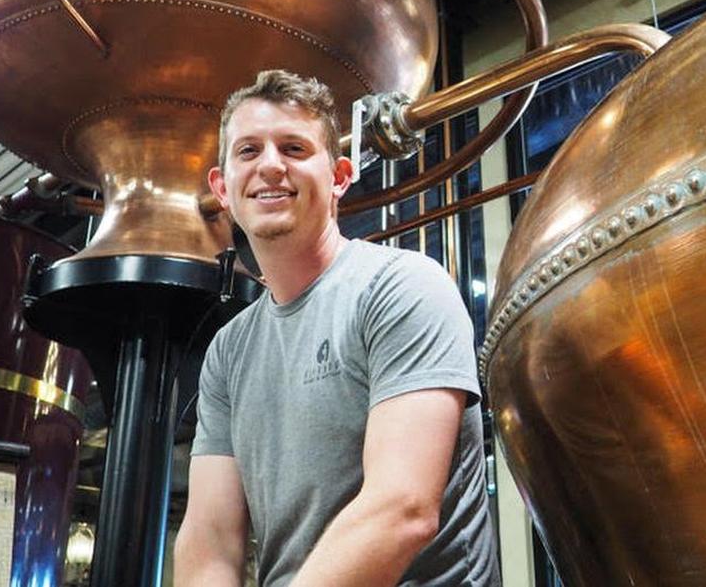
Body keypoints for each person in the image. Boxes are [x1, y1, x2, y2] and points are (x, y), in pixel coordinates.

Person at [174, 70, 500, 587]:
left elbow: (402, 509)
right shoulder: (228, 352)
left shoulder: (401, 287)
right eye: (249, 151)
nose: (271, 166)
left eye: (295, 148)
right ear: (223, 188)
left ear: (340, 176)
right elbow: (209, 536)